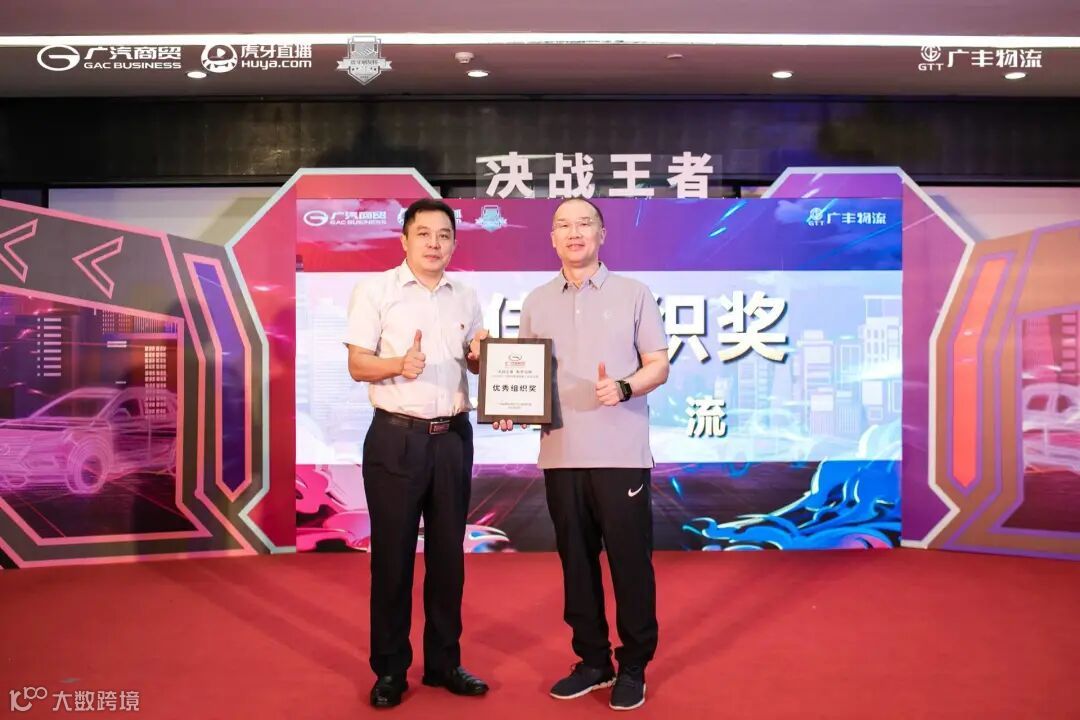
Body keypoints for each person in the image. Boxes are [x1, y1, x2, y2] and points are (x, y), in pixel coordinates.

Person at [496, 197, 670, 711]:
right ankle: (593, 660)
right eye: (564, 225)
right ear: (552, 238)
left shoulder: (634, 293)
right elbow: (523, 375)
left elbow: (658, 365)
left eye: (584, 223)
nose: (574, 233)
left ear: (601, 234)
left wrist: (624, 386)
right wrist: (509, 408)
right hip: (560, 452)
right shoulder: (536, 300)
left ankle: (633, 664)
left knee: (629, 564)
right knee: (576, 563)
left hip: (621, 454)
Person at [345, 198, 490, 708]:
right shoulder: (376, 290)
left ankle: (444, 663)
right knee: (393, 558)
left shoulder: (466, 296)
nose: (434, 243)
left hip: (452, 438)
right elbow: (358, 366)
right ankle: (389, 669)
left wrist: (482, 358)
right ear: (404, 240)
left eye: (444, 235)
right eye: (424, 233)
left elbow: (475, 366)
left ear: (454, 243)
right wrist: (397, 365)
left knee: (449, 558)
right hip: (396, 438)